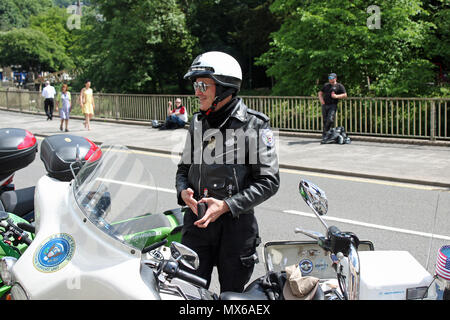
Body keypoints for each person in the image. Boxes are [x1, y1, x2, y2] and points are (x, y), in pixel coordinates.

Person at [176, 51, 280, 293]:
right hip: (197, 223)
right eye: (195, 84)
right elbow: (183, 169)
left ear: (225, 87)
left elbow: (268, 181)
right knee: (188, 293)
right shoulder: (197, 121)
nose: (196, 91)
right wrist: (183, 192)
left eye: (203, 84)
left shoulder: (254, 124)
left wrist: (226, 205)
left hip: (235, 229)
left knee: (232, 297)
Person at [318, 73, 347, 142]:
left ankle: (327, 133)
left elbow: (345, 95)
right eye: (329, 78)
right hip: (325, 105)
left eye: (332, 78)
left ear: (335, 78)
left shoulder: (339, 86)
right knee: (325, 120)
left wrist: (336, 96)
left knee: (330, 119)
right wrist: (321, 100)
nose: (330, 80)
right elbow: (320, 93)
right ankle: (325, 135)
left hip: (333, 105)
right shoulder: (326, 85)